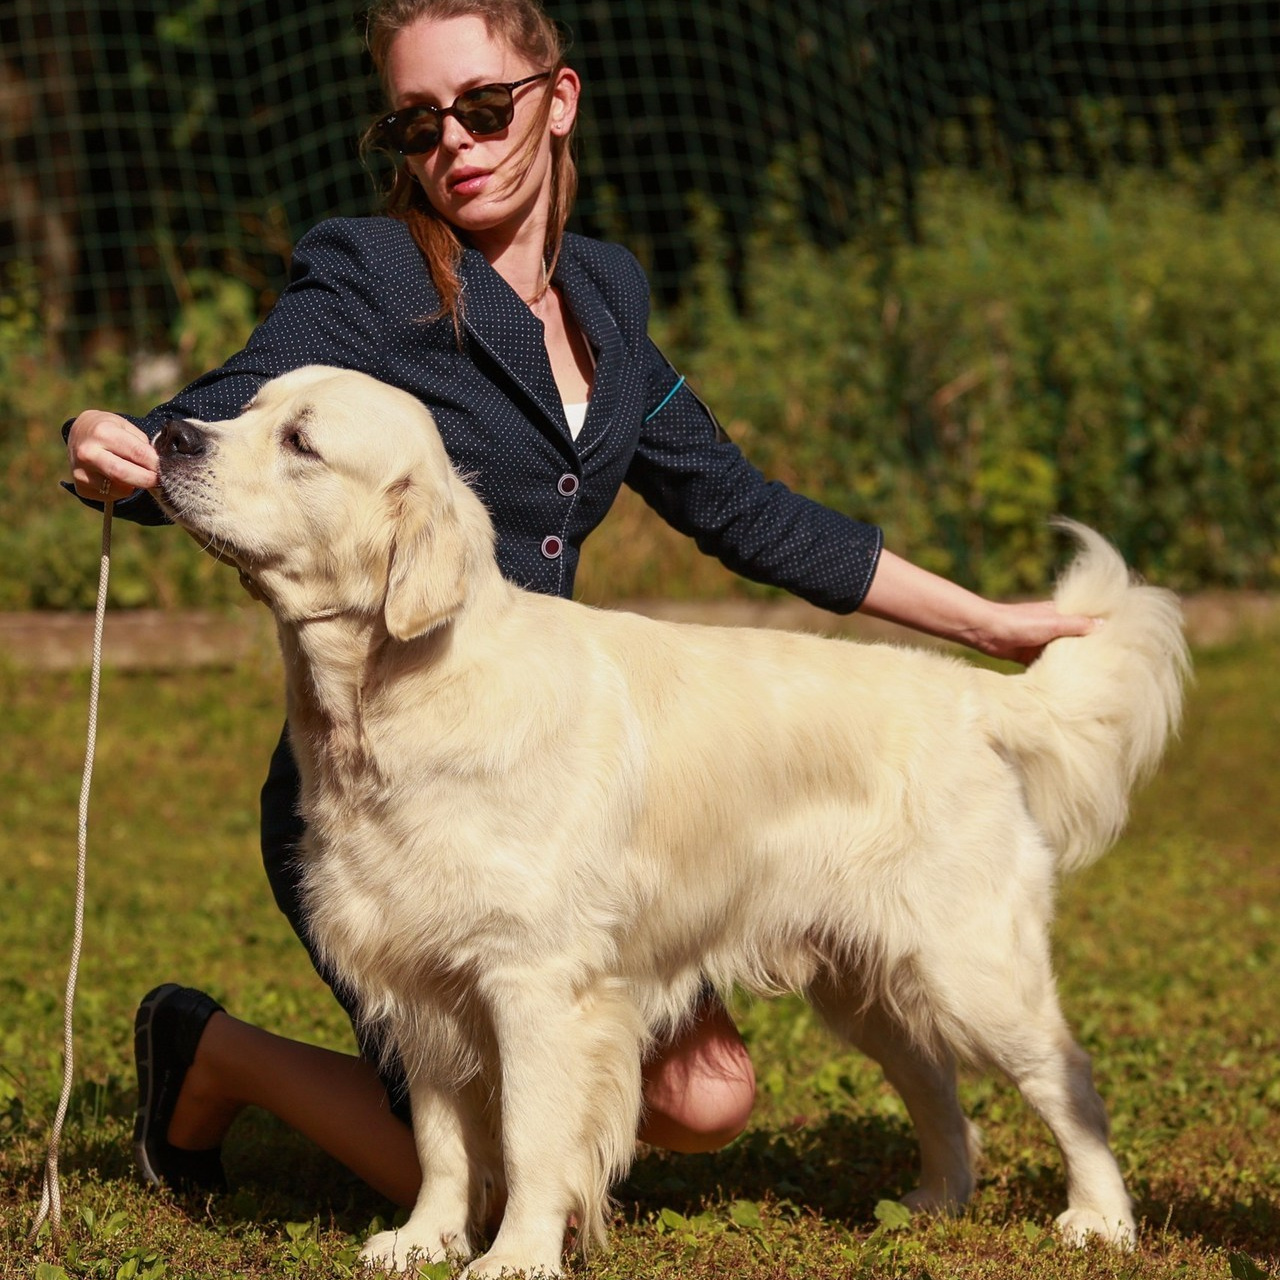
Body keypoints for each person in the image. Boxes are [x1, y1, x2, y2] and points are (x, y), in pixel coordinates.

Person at [65, 0, 1093, 1213]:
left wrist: (984, 623)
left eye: (484, 106)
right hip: (389, 789)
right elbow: (242, 417)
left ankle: (501, 1146)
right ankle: (214, 1049)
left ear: (558, 101)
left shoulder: (603, 299)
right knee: (494, 1181)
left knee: (702, 1102)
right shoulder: (374, 275)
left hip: (551, 769)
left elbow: (740, 506)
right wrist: (129, 453)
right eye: (415, 122)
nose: (452, 141)